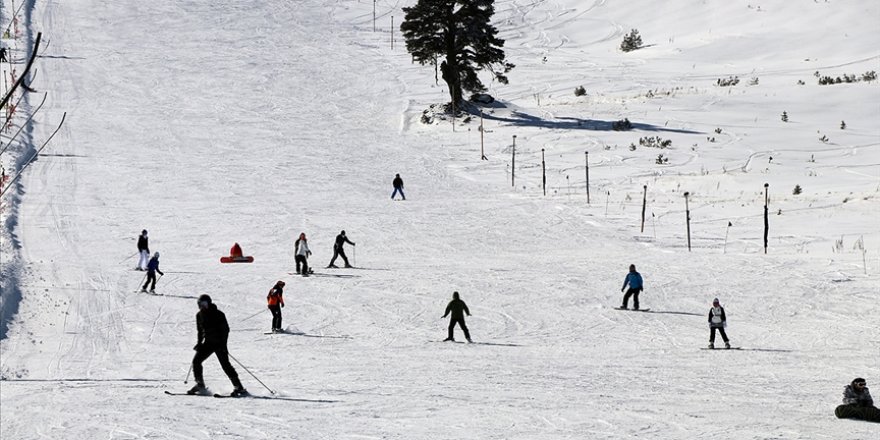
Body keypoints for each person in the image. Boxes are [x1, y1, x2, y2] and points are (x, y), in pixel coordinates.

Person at [188, 294, 246, 396]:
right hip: (208, 343)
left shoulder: (218, 314)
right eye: (200, 304)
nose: (202, 306)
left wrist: (223, 344)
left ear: (209, 303)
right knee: (196, 362)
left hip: (219, 344)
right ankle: (200, 384)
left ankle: (239, 387)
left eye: (204, 304)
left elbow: (225, 330)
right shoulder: (199, 315)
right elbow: (200, 331)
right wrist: (199, 343)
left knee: (225, 365)